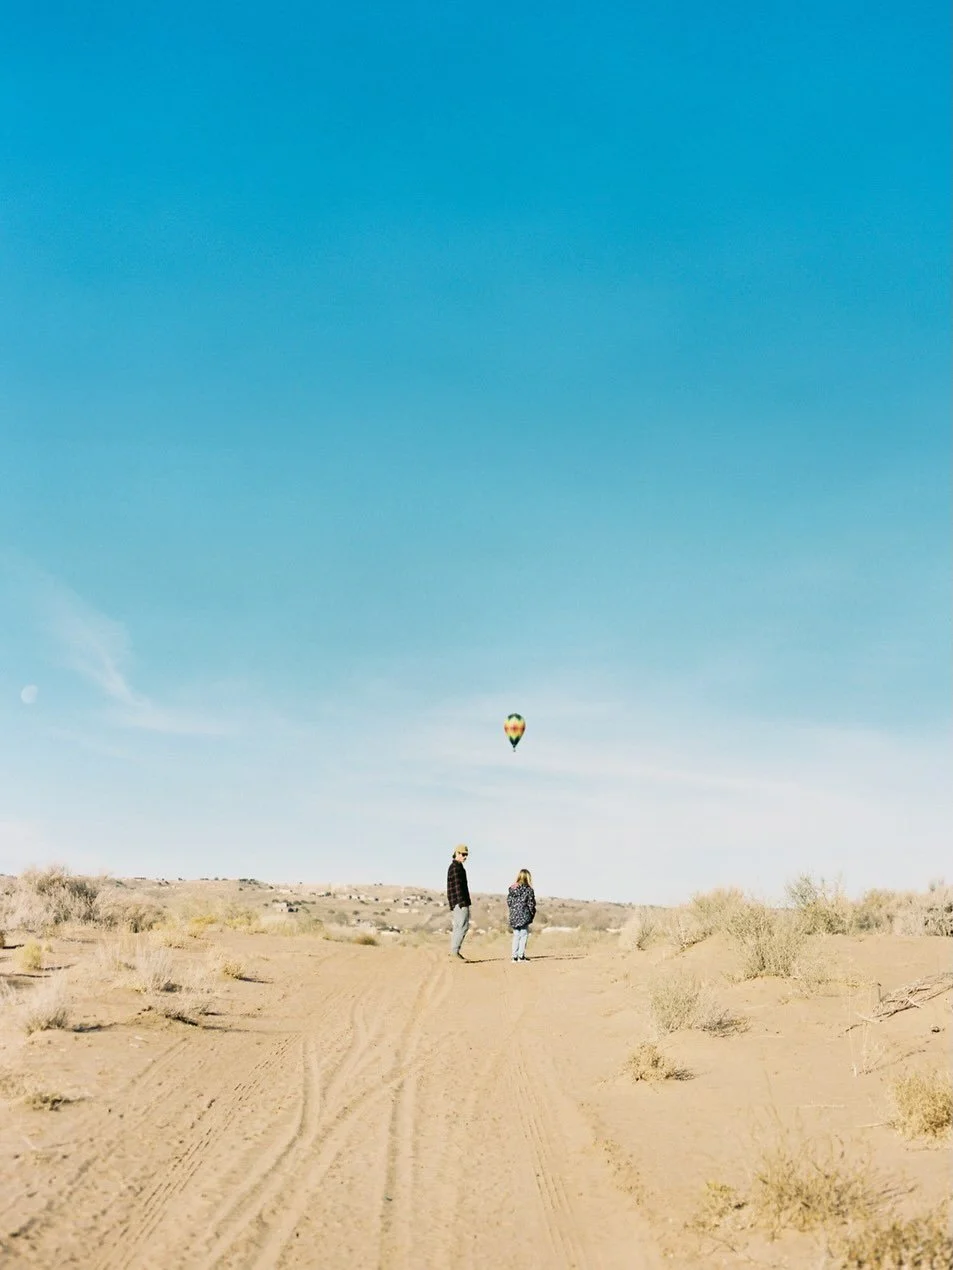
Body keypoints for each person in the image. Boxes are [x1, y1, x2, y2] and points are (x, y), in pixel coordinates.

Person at [447, 844, 471, 960]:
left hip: (457, 902)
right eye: (463, 854)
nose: (465, 857)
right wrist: (462, 903)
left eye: (466, 854)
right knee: (463, 926)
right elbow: (457, 887)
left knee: (458, 926)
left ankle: (454, 952)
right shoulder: (456, 867)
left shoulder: (456, 867)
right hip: (460, 901)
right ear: (457, 853)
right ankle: (455, 952)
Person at [507, 868, 536, 962]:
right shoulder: (528, 890)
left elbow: (509, 901)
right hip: (524, 915)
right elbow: (531, 903)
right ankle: (521, 956)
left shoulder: (512, 888)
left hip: (514, 915)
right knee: (523, 935)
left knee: (516, 935)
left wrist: (513, 911)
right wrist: (531, 914)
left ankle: (514, 956)